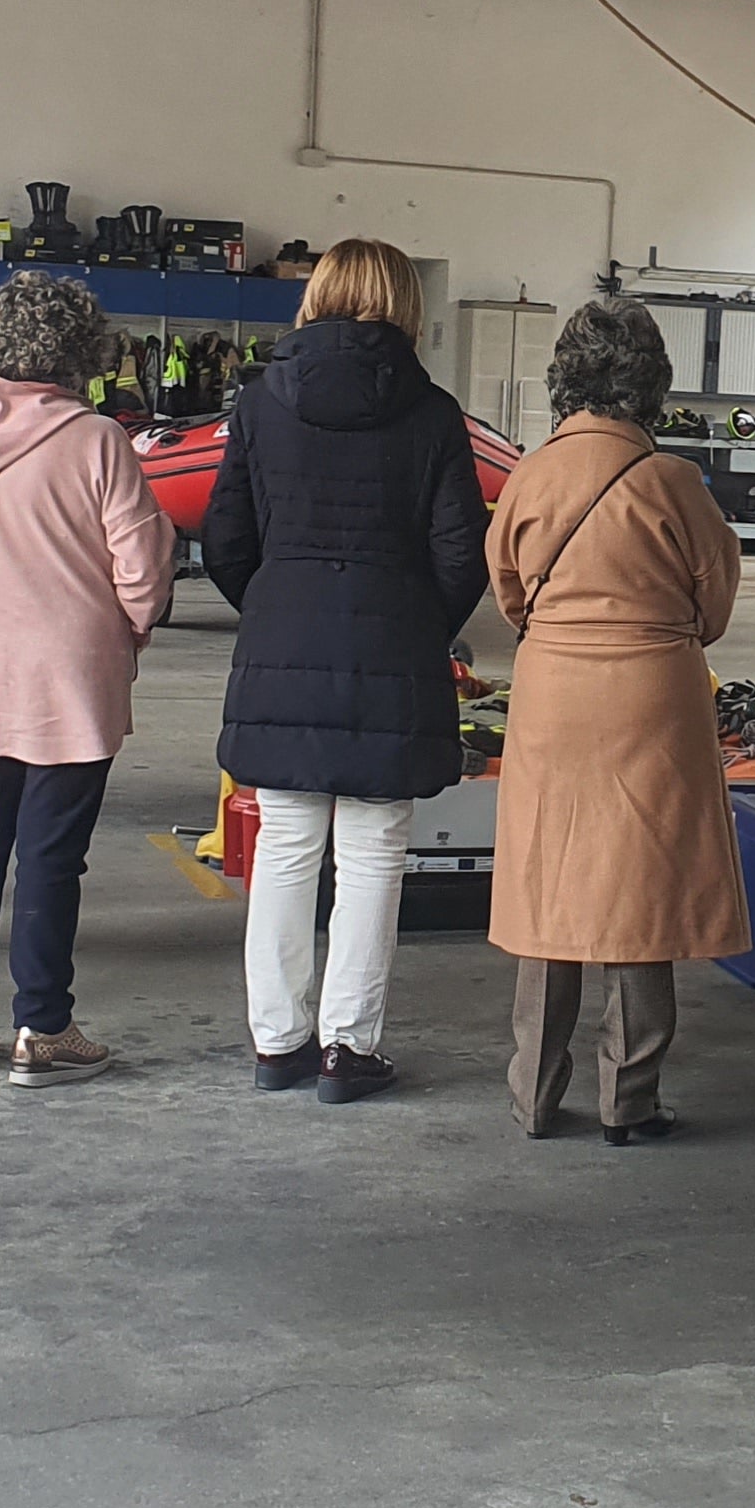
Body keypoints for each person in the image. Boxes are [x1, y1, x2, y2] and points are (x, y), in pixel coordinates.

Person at [205, 237, 489, 1104]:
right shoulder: (435, 413)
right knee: (373, 854)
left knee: (285, 847)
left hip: (283, 645)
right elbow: (459, 552)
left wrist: (276, 602)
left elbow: (224, 538)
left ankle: (277, 1043)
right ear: (405, 305)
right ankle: (348, 1050)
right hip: (390, 649)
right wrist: (414, 625)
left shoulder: (260, 404)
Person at [0, 272, 174, 1086]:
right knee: (53, 856)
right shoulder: (96, 440)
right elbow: (142, 566)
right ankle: (43, 1029)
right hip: (70, 676)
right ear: (81, 349)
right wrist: (131, 623)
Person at [487, 299, 746, 1144]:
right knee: (640, 888)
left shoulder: (528, 476)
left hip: (553, 693)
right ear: (652, 383)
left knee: (548, 881)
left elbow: (510, 595)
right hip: (653, 695)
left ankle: (533, 1094)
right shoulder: (673, 483)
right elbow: (714, 608)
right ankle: (627, 1102)